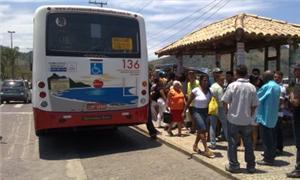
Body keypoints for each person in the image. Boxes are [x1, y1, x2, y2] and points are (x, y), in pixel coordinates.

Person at [222, 65, 259, 173]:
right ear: (246, 73)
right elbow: (254, 105)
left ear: (236, 73)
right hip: (246, 120)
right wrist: (250, 115)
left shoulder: (232, 86)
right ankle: (251, 166)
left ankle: (234, 165)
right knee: (248, 143)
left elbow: (225, 101)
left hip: (233, 119)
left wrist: (227, 113)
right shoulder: (252, 87)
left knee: (232, 142)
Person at [182, 74, 215, 158]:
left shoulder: (210, 91)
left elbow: (211, 102)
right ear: (200, 81)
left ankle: (195, 145)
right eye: (204, 80)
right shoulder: (195, 90)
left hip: (206, 112)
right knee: (203, 129)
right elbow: (188, 102)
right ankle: (206, 150)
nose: (206, 82)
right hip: (196, 111)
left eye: (207, 80)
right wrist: (184, 111)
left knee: (201, 130)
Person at [256, 70, 281, 166]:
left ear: (266, 77)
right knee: (272, 138)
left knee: (266, 139)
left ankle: (268, 159)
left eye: (262, 76)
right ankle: (271, 155)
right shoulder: (277, 86)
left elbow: (257, 98)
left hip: (264, 117)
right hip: (273, 117)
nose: (261, 78)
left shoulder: (267, 86)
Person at [287, 64, 300, 178]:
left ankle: (298, 169)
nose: (293, 72)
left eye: (295, 70)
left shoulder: (296, 86)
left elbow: (295, 102)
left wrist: (290, 92)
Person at [209, 73, 228, 149]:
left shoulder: (213, 86)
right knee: (225, 125)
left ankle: (213, 143)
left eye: (224, 80)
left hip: (213, 108)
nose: (223, 81)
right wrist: (226, 110)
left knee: (212, 125)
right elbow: (222, 101)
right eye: (222, 80)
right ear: (218, 79)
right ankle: (229, 142)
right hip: (220, 108)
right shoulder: (219, 88)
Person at [273, 71, 287, 155]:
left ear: (281, 78)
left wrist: (276, 110)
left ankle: (279, 147)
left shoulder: (282, 88)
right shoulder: (274, 86)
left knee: (278, 131)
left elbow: (281, 101)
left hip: (277, 113)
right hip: (273, 112)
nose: (276, 78)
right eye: (275, 77)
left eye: (278, 77)